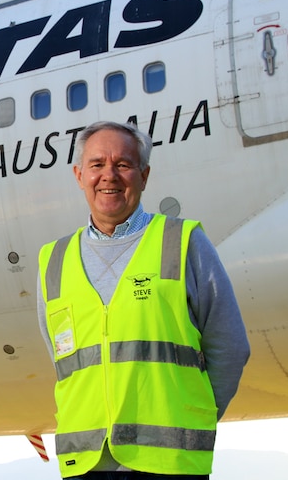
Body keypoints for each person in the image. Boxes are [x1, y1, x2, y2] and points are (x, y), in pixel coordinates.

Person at [37, 121, 249, 480]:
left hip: (169, 466)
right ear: (78, 175)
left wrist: (191, 418)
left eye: (123, 165)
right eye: (97, 165)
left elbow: (230, 348)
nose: (109, 176)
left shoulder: (182, 243)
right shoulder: (54, 260)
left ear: (144, 175)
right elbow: (64, 363)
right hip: (86, 466)